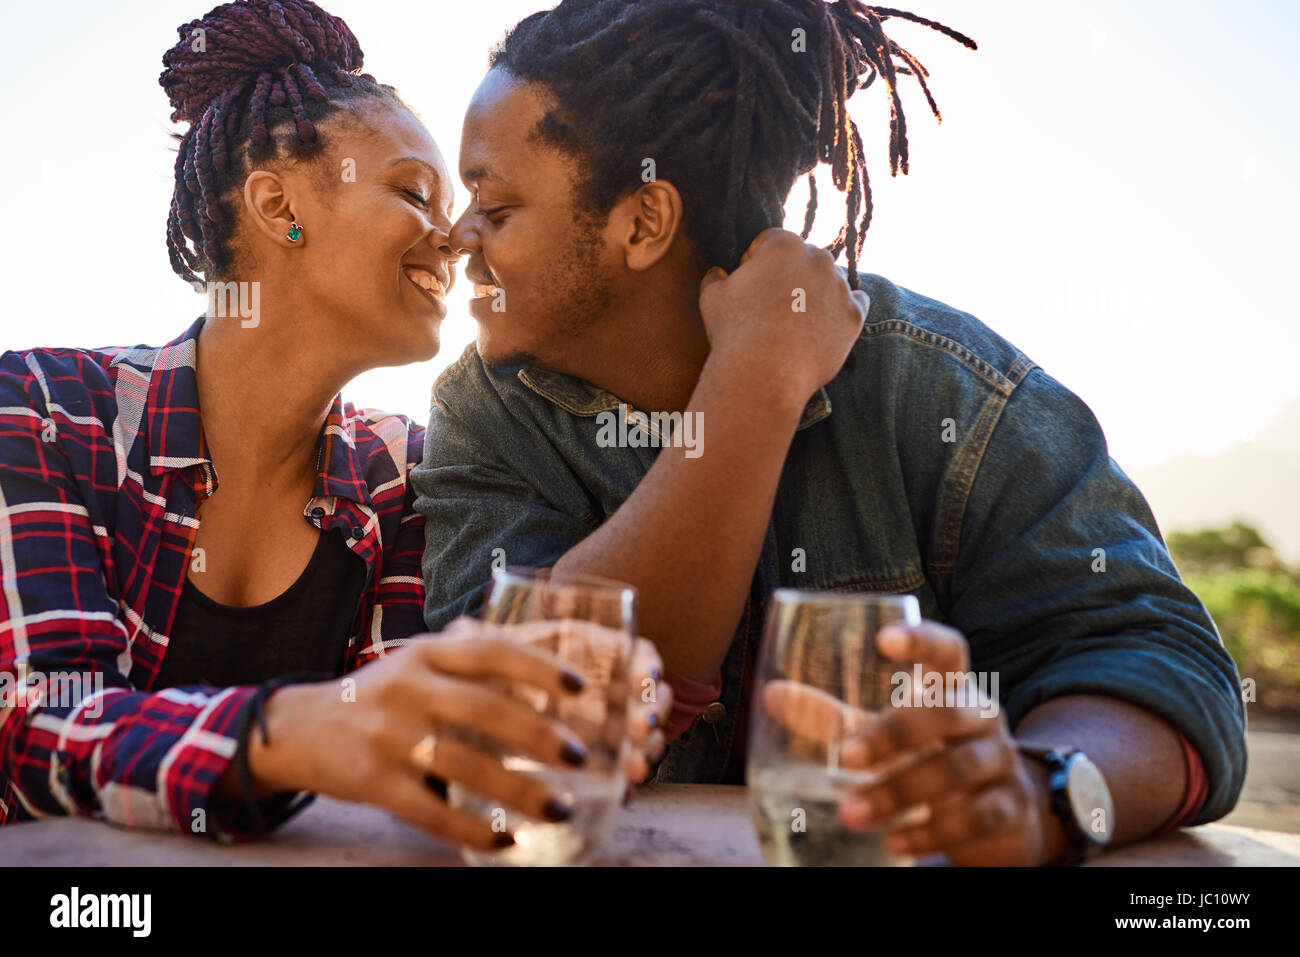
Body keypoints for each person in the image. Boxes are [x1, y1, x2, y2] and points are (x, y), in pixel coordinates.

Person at [413, 0, 1248, 865]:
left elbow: (1163, 663)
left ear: (642, 222)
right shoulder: (487, 412)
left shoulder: (936, 383)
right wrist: (750, 391)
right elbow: (504, 713)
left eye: (495, 205)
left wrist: (1037, 791)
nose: (455, 236)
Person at [0, 0, 684, 849]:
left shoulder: (402, 474)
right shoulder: (44, 410)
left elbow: (405, 759)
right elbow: (35, 739)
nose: (456, 238)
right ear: (277, 202)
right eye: (413, 191)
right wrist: (293, 735)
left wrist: (544, 712)